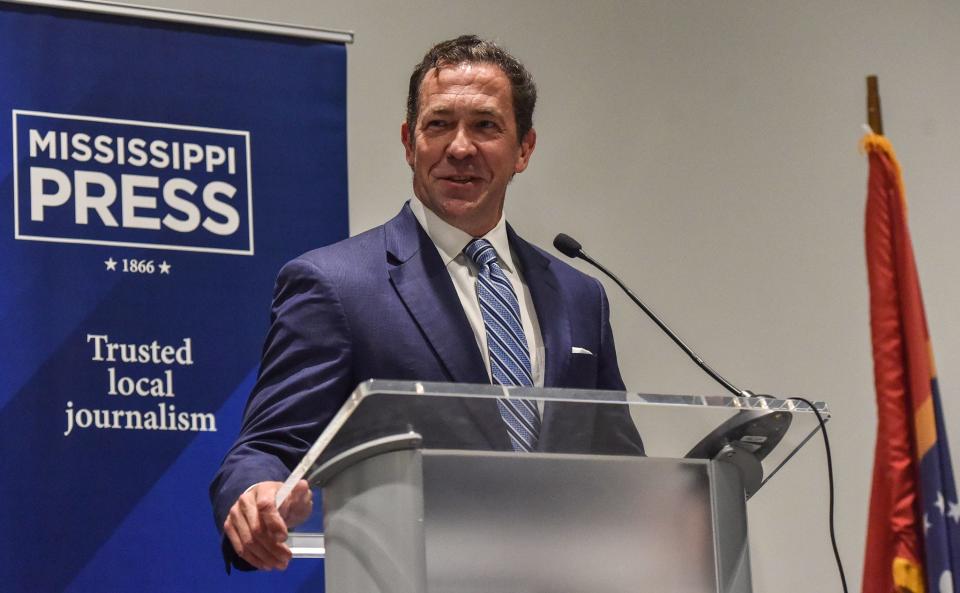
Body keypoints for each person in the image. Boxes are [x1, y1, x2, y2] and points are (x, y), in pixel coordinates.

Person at [209, 34, 642, 573]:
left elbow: (622, 465)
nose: (460, 148)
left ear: (524, 148)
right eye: (438, 124)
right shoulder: (337, 285)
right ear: (409, 142)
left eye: (486, 125)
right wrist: (256, 495)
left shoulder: (580, 295)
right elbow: (265, 446)